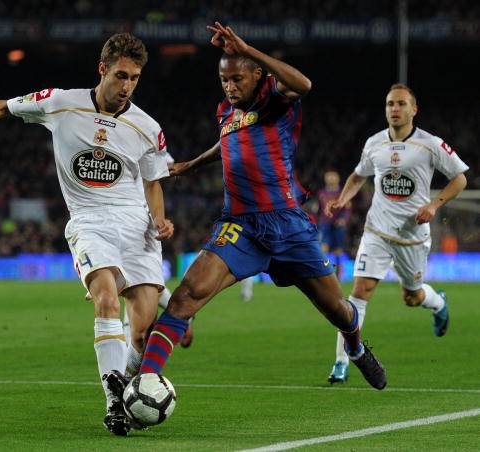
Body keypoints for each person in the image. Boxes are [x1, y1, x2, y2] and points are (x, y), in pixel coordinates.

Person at [104, 22, 387, 406]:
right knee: (185, 298)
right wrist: (191, 165)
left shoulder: (275, 100)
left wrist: (248, 49)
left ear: (257, 75)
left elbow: (304, 84)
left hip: (287, 225)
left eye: (237, 79)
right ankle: (146, 381)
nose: (230, 87)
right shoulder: (227, 112)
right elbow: (227, 144)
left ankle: (355, 348)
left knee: (338, 310)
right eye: (224, 80)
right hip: (240, 226)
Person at [0, 33, 174, 436]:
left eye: (135, 78)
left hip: (138, 228)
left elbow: (153, 181)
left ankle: (129, 386)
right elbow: (3, 108)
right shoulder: (60, 102)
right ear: (103, 69)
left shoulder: (147, 127)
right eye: (121, 75)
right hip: (90, 221)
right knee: (106, 300)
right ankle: (113, 401)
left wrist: (159, 220)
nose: (127, 85)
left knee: (143, 334)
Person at [325, 83, 468, 384]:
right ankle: (341, 362)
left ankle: (438, 303)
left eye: (401, 104)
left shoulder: (430, 144)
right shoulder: (374, 143)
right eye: (390, 103)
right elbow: (357, 176)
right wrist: (342, 199)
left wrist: (434, 204)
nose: (395, 109)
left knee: (411, 297)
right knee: (359, 293)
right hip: (376, 231)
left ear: (414, 109)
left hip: (412, 236)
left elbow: (460, 179)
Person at [317, 170, 351, 278]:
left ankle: (338, 273)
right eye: (329, 176)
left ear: (338, 179)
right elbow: (319, 210)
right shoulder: (321, 193)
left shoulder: (343, 193)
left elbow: (348, 208)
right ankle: (324, 271)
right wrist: (318, 221)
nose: (331, 178)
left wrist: (343, 219)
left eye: (333, 176)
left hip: (338, 225)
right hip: (325, 224)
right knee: (324, 248)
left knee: (338, 250)